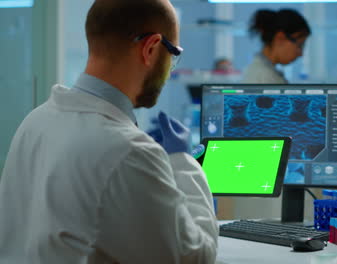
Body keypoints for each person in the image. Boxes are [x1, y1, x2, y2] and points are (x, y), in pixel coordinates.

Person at [0, 0, 218, 263]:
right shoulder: (129, 151)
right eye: (173, 54)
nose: (170, 69)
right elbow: (196, 256)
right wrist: (183, 163)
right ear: (150, 48)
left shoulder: (36, 121)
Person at [243, 9, 311, 83]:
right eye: (300, 45)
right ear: (280, 38)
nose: (300, 54)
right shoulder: (265, 76)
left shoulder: (261, 71)